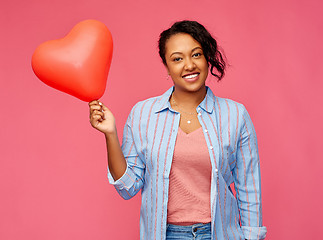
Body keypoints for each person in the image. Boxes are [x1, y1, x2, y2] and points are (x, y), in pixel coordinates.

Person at [89, 20, 267, 240]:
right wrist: (110, 134)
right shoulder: (142, 114)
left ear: (207, 58)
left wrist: (252, 237)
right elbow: (128, 188)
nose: (189, 65)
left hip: (219, 234)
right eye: (177, 59)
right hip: (165, 235)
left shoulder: (235, 115)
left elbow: (248, 187)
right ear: (166, 66)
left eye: (196, 54)